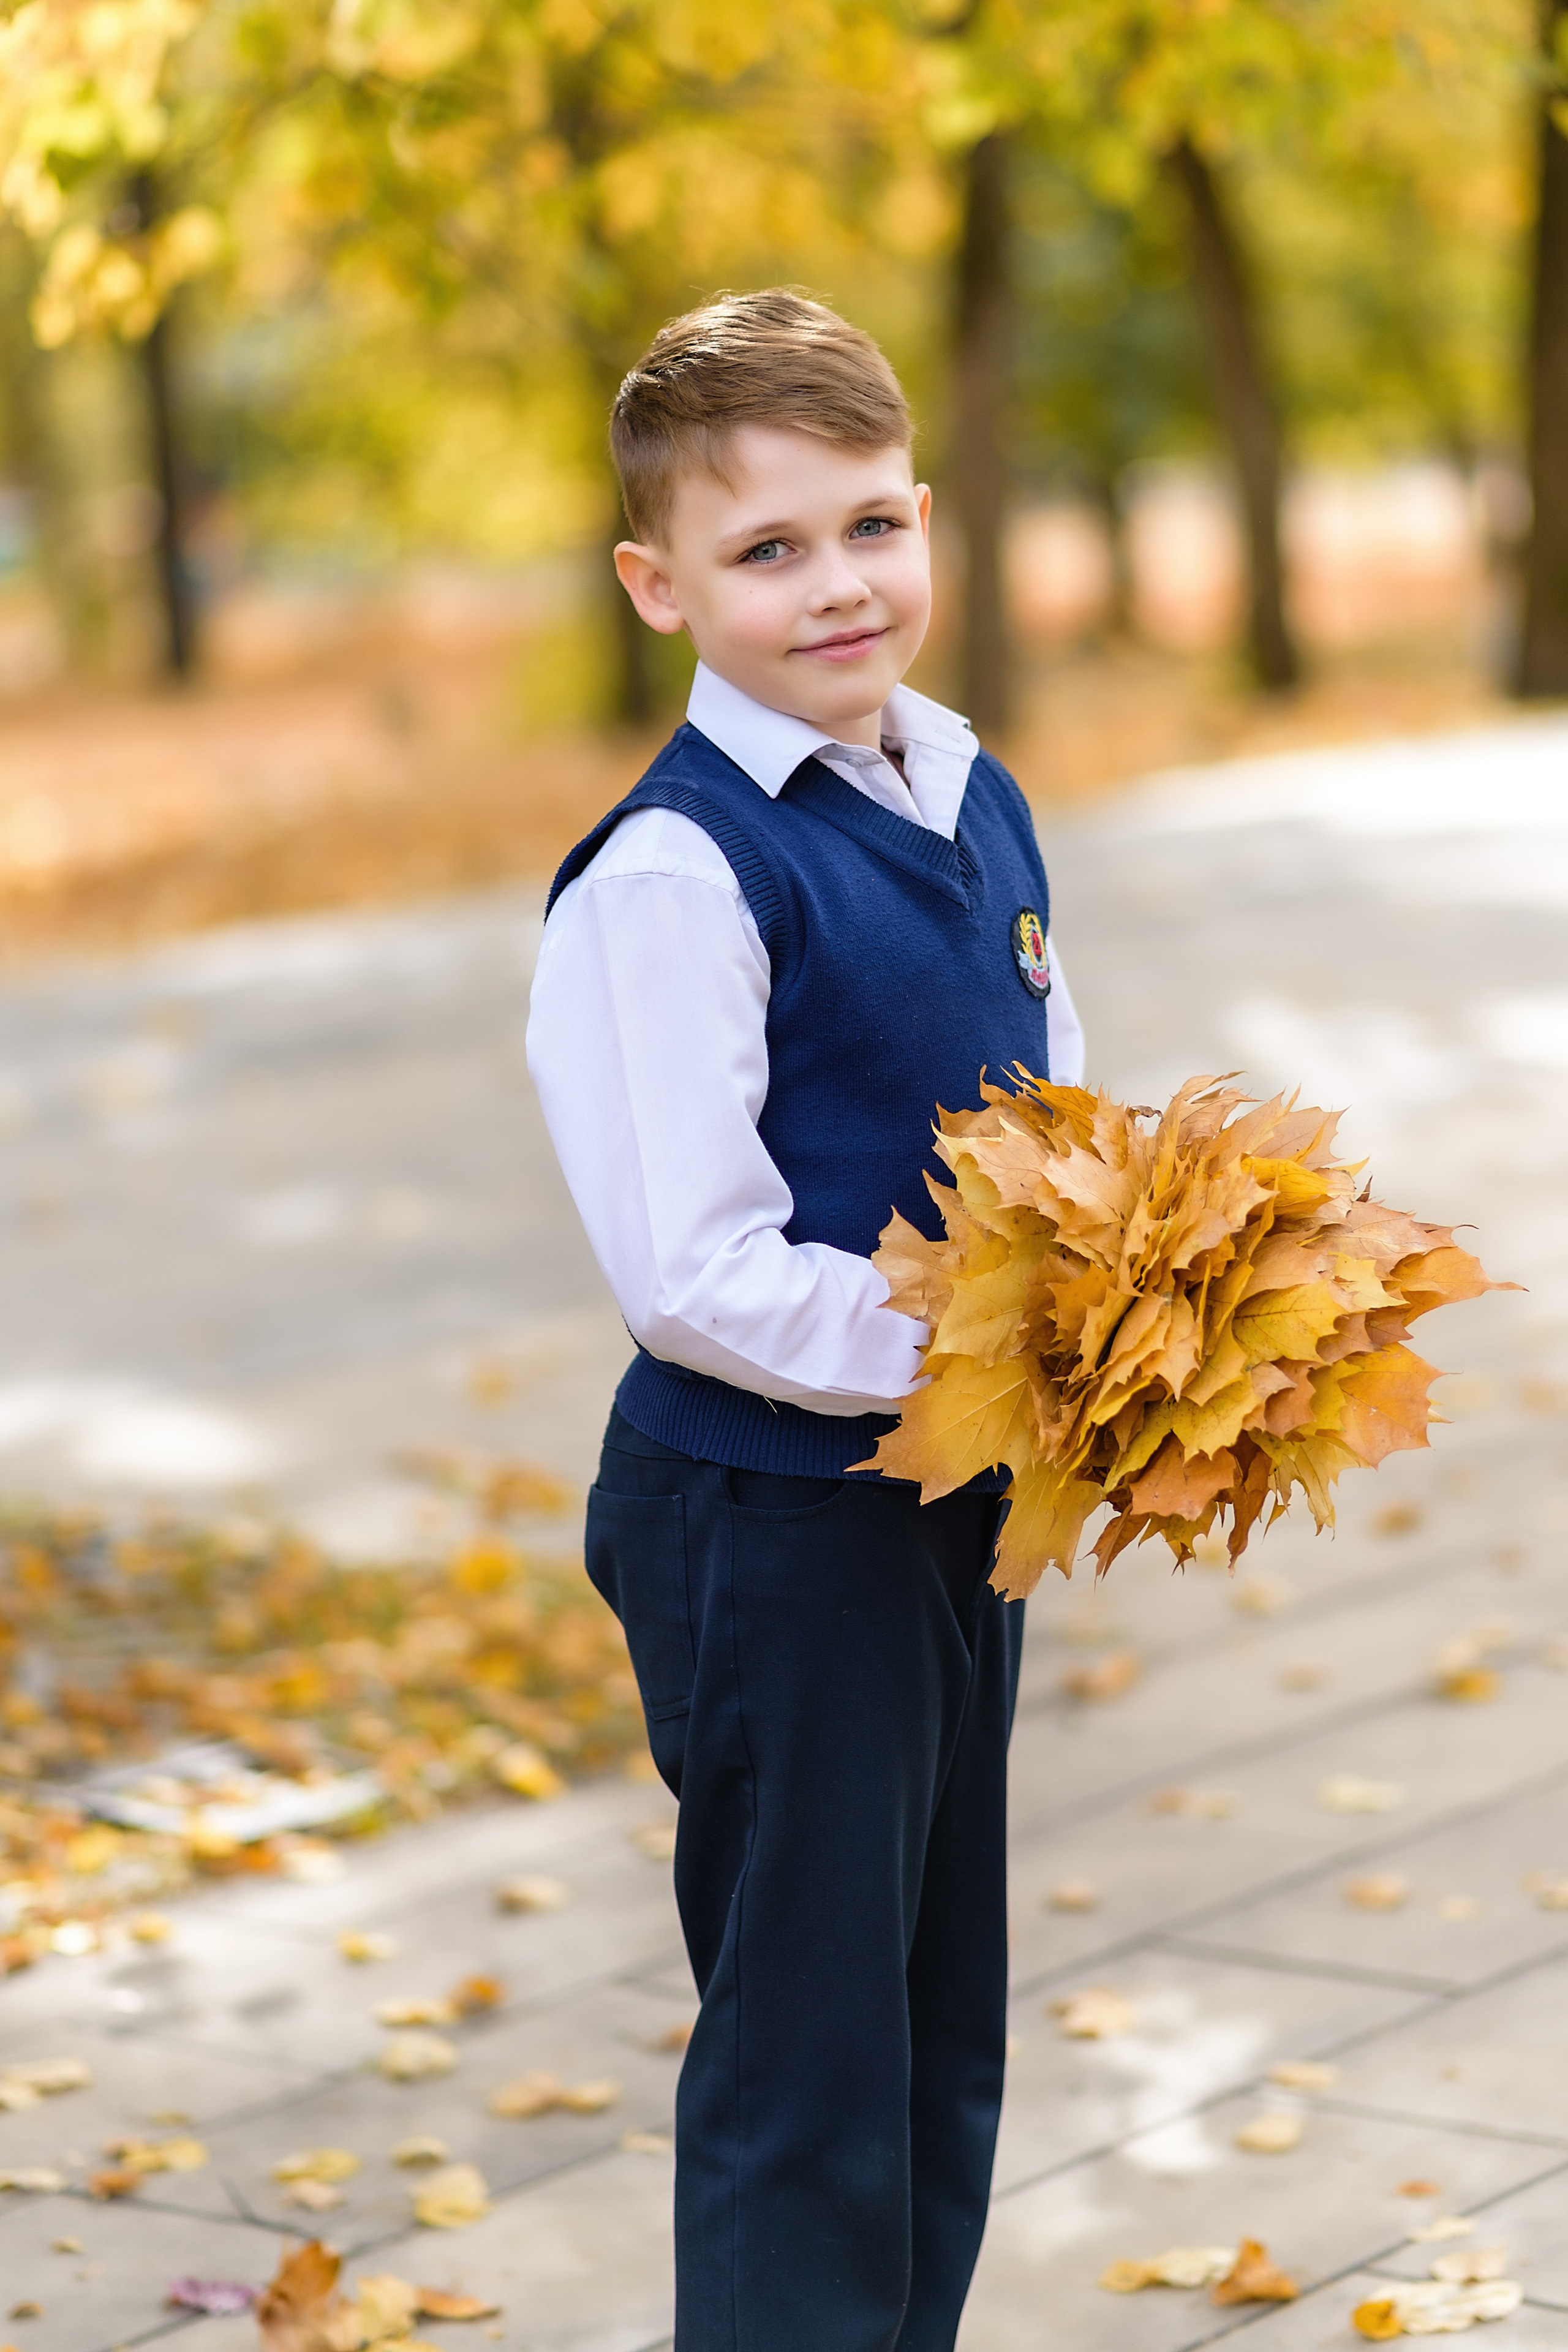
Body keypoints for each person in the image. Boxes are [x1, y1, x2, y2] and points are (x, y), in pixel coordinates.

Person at [526, 289, 1085, 2352]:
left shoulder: (969, 794)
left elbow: (1053, 1112)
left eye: (868, 527)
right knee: (810, 2066)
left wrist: (1122, 1294)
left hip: (948, 1493)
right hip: (769, 1519)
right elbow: (697, 1272)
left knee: (941, 2027)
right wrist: (1002, 1358)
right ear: (657, 581)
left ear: (928, 516)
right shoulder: (675, 878)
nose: (837, 585)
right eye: (767, 550)